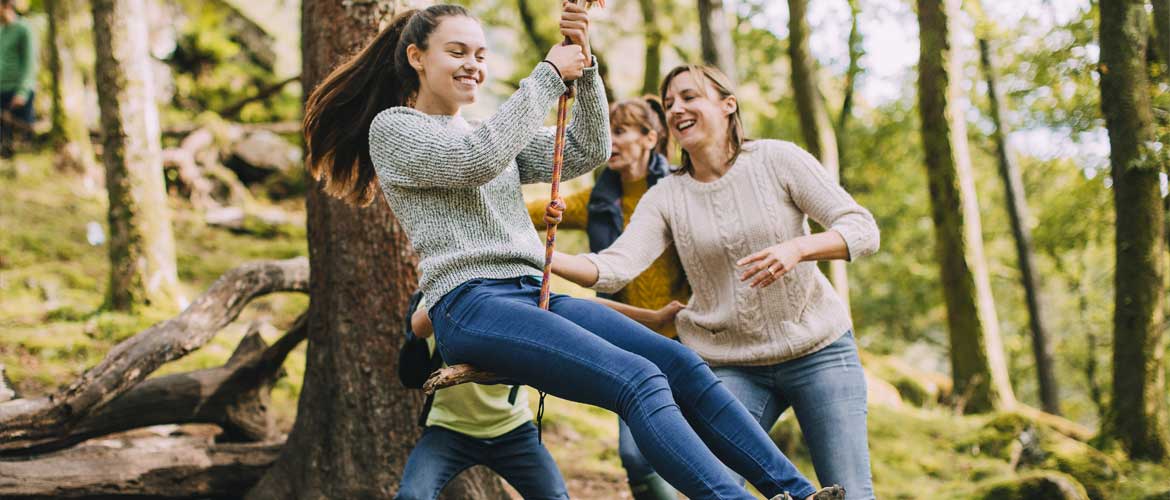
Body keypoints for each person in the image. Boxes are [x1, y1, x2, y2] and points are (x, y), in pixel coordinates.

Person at [301, 4, 839, 499]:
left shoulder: (490, 131)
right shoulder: (395, 130)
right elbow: (476, 160)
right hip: (471, 304)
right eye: (458, 52)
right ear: (417, 58)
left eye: (481, 55)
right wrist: (547, 74)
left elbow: (587, 148)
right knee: (638, 380)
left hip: (532, 294)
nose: (473, 66)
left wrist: (585, 63)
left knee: (678, 362)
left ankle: (795, 492)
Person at [548, 64, 880, 499]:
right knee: (720, 489)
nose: (676, 109)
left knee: (850, 490)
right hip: (730, 361)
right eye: (668, 104)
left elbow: (862, 228)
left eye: (689, 97)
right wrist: (544, 257)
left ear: (728, 105)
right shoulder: (666, 195)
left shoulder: (778, 159)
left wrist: (797, 248)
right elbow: (615, 265)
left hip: (818, 349)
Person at [525, 96, 685, 500]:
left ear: (650, 138)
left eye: (620, 131)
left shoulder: (680, 192)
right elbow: (529, 211)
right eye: (607, 132)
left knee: (692, 445)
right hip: (628, 340)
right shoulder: (596, 200)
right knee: (634, 454)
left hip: (689, 335)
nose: (610, 141)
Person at [395, 293, 568, 500]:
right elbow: (418, 327)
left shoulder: (517, 296)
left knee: (555, 497)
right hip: (449, 429)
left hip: (513, 428)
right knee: (412, 496)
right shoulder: (438, 296)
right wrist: (458, 297)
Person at [0, 0, 37, 158]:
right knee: (4, 145)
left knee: (23, 144)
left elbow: (30, 63)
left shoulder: (23, 29)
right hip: (1, 91)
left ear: (5, 5)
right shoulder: (1, 31)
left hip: (18, 93)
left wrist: (22, 92)